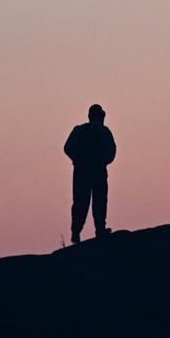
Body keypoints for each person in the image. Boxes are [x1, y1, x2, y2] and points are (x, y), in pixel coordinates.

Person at [63, 104, 116, 243]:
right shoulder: (104, 131)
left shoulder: (79, 130)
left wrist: (77, 160)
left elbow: (67, 147)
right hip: (98, 170)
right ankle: (100, 230)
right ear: (102, 116)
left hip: (81, 171)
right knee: (99, 200)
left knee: (80, 201)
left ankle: (76, 232)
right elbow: (112, 151)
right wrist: (102, 161)